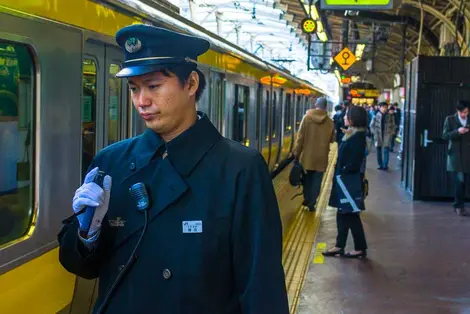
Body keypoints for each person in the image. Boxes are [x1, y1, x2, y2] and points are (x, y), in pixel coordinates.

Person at [57, 24, 289, 314]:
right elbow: (82, 268)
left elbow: (261, 286)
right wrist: (85, 236)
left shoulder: (240, 169)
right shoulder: (110, 162)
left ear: (191, 84)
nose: (141, 101)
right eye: (133, 89)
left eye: (153, 86)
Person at [323, 106, 368, 259]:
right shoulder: (353, 134)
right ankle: (339, 246)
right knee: (343, 213)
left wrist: (343, 170)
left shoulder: (357, 137)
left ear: (353, 119)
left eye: (346, 116)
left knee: (350, 215)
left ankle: (359, 248)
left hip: (347, 182)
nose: (343, 118)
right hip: (344, 181)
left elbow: (353, 162)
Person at [293, 97, 335, 211]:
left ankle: (307, 199)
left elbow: (300, 138)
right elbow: (332, 139)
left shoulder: (306, 118)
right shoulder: (330, 122)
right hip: (322, 157)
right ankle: (312, 202)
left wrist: (296, 153)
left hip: (307, 156)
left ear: (315, 105)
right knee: (317, 180)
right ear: (325, 107)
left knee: (307, 179)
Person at [443, 100, 470, 216]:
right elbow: (445, 135)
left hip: (468, 155)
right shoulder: (450, 119)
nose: (464, 115)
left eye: (466, 112)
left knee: (465, 181)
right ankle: (459, 205)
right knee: (460, 181)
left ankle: (460, 204)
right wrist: (457, 132)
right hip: (456, 155)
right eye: (462, 112)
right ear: (457, 111)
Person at [370, 102, 396, 170]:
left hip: (387, 134)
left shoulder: (390, 115)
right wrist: (374, 133)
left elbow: (393, 125)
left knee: (386, 150)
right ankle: (380, 164)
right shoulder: (375, 115)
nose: (384, 109)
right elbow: (371, 125)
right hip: (378, 135)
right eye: (383, 107)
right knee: (378, 150)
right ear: (379, 108)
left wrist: (392, 133)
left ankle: (385, 165)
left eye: (385, 107)